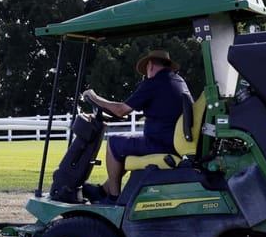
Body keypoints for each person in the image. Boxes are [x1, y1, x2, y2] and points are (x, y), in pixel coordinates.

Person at [81, 49, 193, 202]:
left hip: (160, 143)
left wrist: (94, 98)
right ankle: (103, 190)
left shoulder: (154, 83)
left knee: (114, 143)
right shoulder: (178, 81)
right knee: (125, 144)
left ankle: (113, 197)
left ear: (150, 65)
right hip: (173, 142)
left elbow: (121, 110)